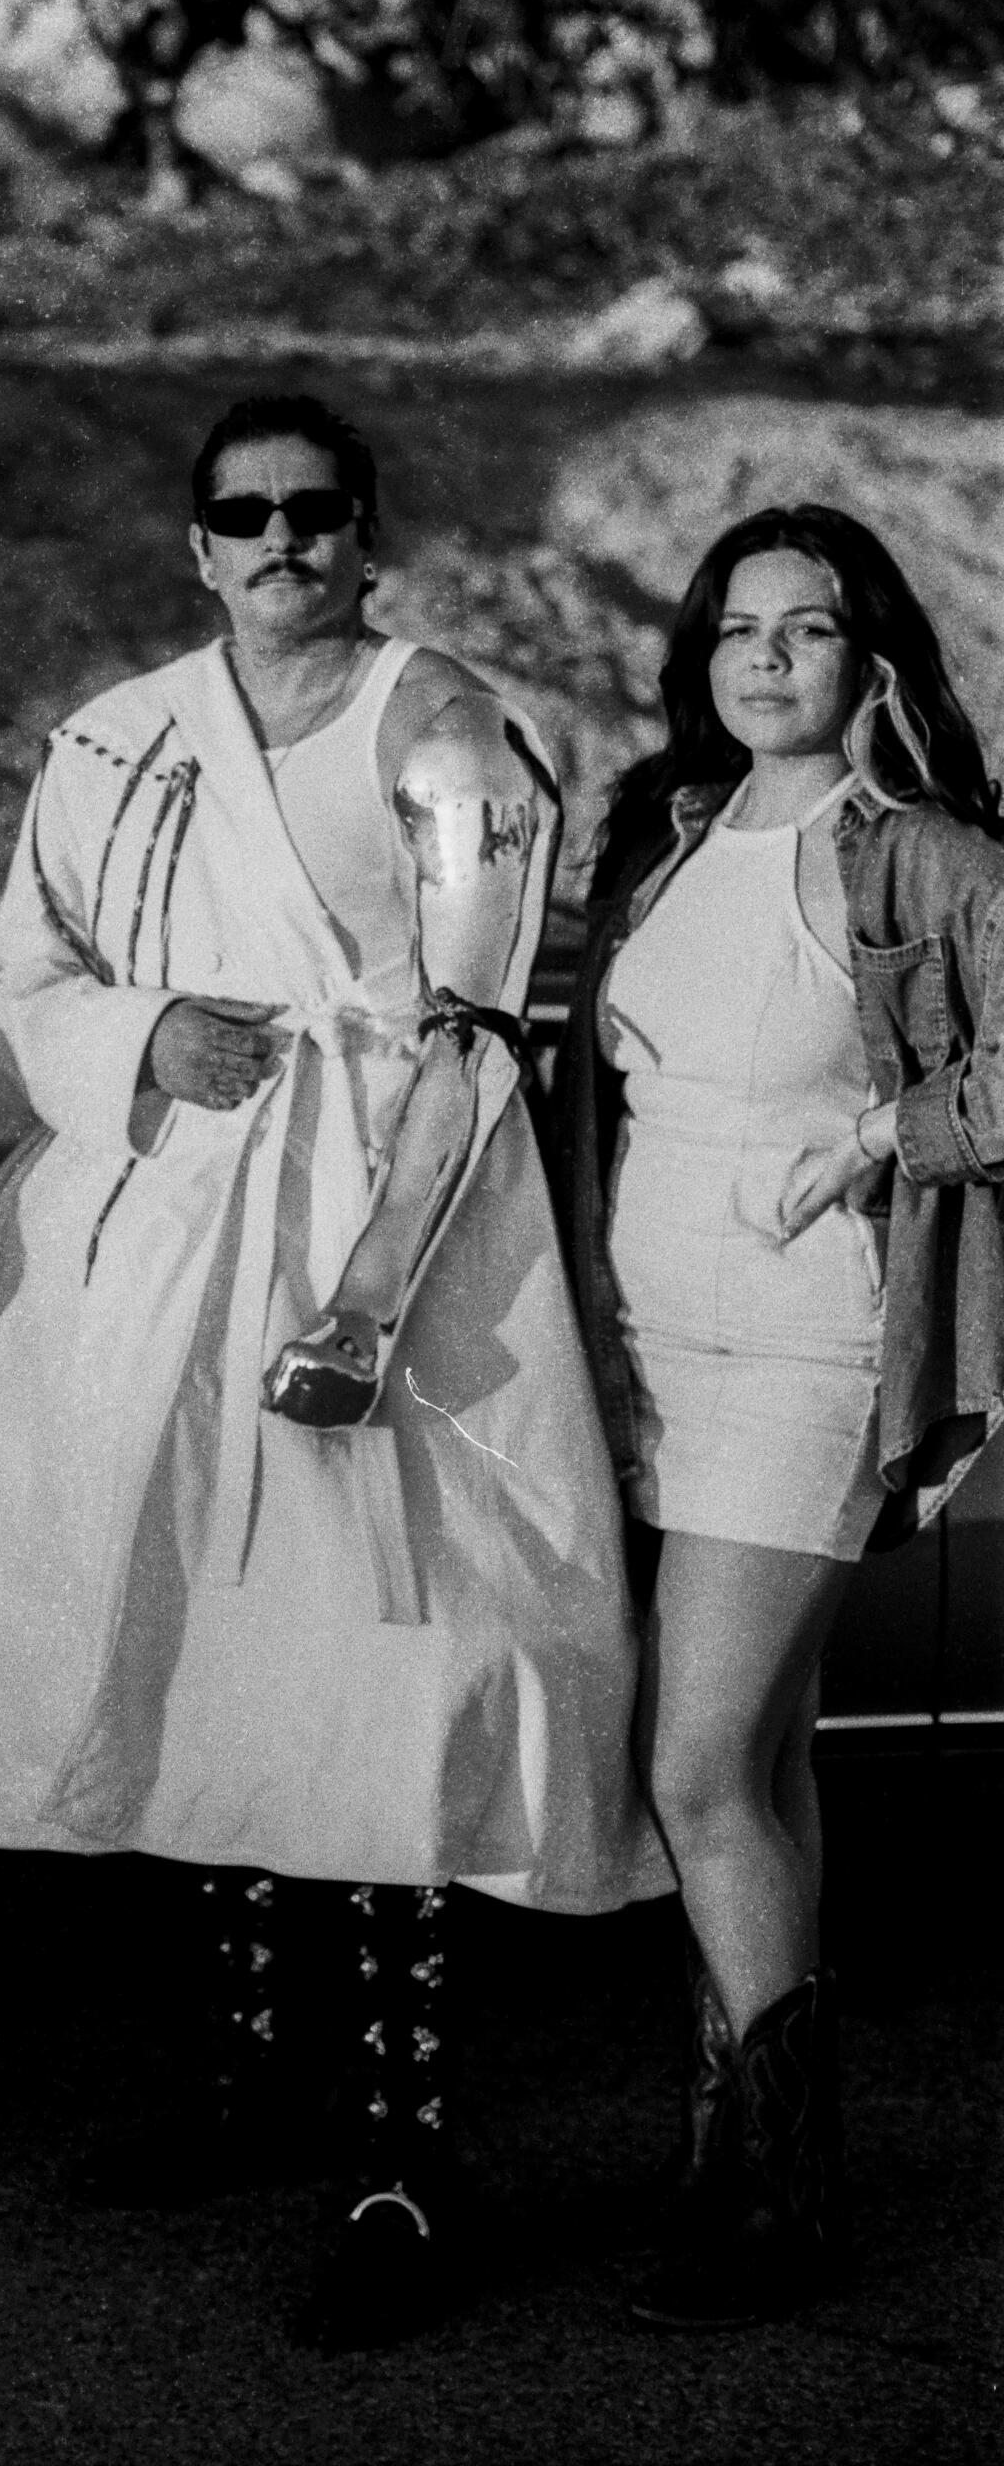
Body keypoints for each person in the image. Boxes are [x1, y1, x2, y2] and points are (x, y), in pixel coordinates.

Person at [0, 395, 668, 2347]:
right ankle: (252, 2076)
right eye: (242, 514)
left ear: (365, 535)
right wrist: (139, 1036)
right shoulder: (116, 738)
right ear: (195, 544)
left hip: (397, 1238)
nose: (280, 539)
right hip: (170, 1233)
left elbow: (473, 1027)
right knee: (201, 1651)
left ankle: (404, 2144)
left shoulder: (445, 726)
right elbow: (19, 974)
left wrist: (364, 1305)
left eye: (315, 511)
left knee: (378, 1676)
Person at [556, 502, 1004, 2329]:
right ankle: (747, 2156)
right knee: (767, 1770)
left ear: (868, 656)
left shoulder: (916, 853)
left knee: (689, 1772)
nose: (767, 661)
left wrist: (891, 1136)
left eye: (808, 631)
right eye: (739, 630)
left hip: (805, 1356)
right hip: (651, 1350)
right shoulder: (661, 845)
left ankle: (774, 2193)